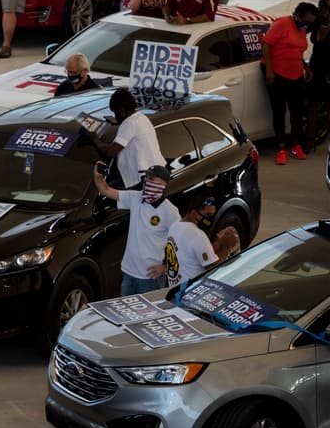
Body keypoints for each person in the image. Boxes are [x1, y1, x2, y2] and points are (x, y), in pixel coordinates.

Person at [92, 162, 179, 296]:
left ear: (163, 184)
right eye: (146, 177)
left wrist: (165, 267)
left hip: (150, 278)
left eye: (151, 179)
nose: (146, 181)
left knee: (147, 316)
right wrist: (98, 178)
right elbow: (106, 190)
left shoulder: (170, 211)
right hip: (128, 272)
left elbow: (182, 242)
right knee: (125, 314)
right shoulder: (136, 198)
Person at [263, 3, 319, 165]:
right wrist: (269, 71)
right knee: (279, 111)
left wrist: (305, 67)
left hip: (295, 74)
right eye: (307, 22)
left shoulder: (302, 28)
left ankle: (296, 145)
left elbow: (297, 50)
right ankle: (281, 148)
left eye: (311, 23)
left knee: (296, 111)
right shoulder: (282, 24)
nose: (308, 26)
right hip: (277, 73)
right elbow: (266, 44)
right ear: (298, 15)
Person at [148, 192, 240, 288]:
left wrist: (218, 243)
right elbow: (213, 270)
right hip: (192, 291)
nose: (210, 220)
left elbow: (193, 253)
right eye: (208, 215)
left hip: (176, 289)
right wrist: (226, 246)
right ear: (194, 213)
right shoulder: (197, 235)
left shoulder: (175, 226)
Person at [84, 87, 165, 188]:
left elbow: (111, 152)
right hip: (155, 173)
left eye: (115, 112)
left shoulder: (130, 123)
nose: (115, 116)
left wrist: (94, 139)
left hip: (145, 178)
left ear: (122, 111)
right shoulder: (141, 118)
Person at [306, 0, 330, 151]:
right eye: (321, 11)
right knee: (313, 105)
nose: (324, 14)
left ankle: (321, 135)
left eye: (326, 11)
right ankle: (309, 141)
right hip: (316, 69)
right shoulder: (316, 24)